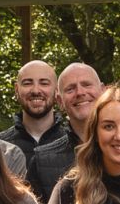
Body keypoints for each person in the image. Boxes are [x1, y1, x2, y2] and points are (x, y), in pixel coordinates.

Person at [7, 57, 75, 191]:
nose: (36, 90)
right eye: (27, 83)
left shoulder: (75, 146)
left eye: (44, 83)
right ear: (16, 89)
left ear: (56, 90)